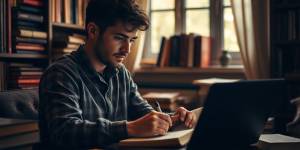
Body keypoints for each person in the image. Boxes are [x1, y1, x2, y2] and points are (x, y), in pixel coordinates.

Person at [38, 0, 196, 149]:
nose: (127, 49)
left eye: (132, 40)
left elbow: (146, 115)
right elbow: (65, 132)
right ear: (93, 31)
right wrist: (129, 128)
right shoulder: (60, 73)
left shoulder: (122, 74)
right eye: (119, 38)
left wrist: (175, 119)